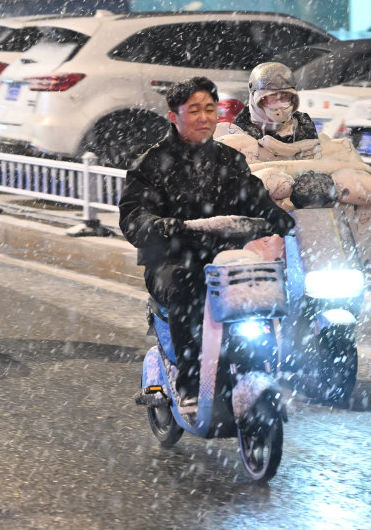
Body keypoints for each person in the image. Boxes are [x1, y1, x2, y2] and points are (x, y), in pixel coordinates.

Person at [118, 76, 294, 407]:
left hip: (227, 260)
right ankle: (191, 383)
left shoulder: (230, 160)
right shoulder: (150, 164)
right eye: (194, 110)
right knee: (187, 286)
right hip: (172, 260)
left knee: (266, 288)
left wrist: (279, 220)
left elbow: (256, 201)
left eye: (210, 109)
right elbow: (133, 217)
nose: (204, 118)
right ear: (174, 116)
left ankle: (260, 367)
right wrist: (161, 225)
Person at [221, 61, 319, 146]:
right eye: (271, 99)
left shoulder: (303, 125)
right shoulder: (238, 132)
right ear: (256, 100)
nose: (279, 106)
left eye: (285, 98)